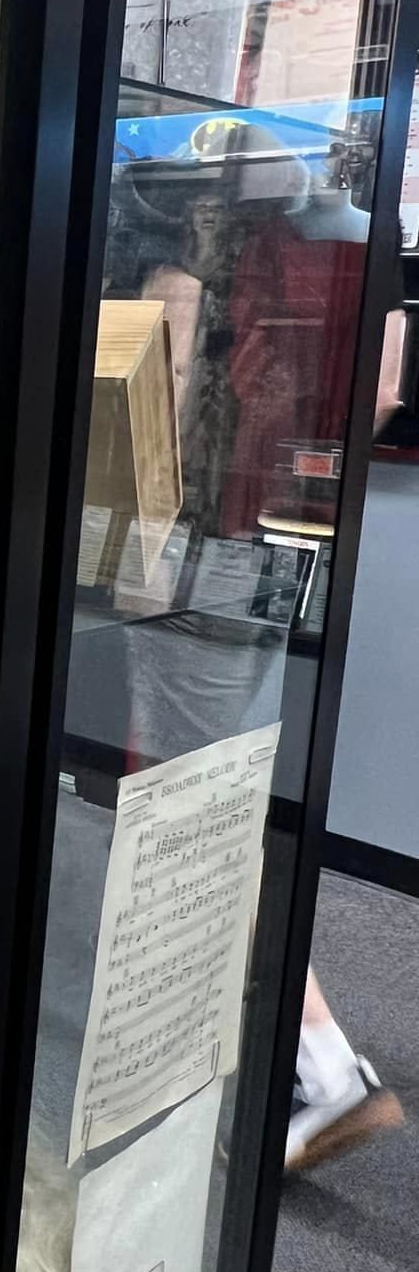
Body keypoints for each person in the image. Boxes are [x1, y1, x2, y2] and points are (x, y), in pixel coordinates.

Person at [286, 277, 408, 1171]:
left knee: (213, 829)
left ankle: (324, 1066)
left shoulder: (299, 253)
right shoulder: (350, 257)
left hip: (232, 559)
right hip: (280, 548)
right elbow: (383, 389)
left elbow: (380, 389)